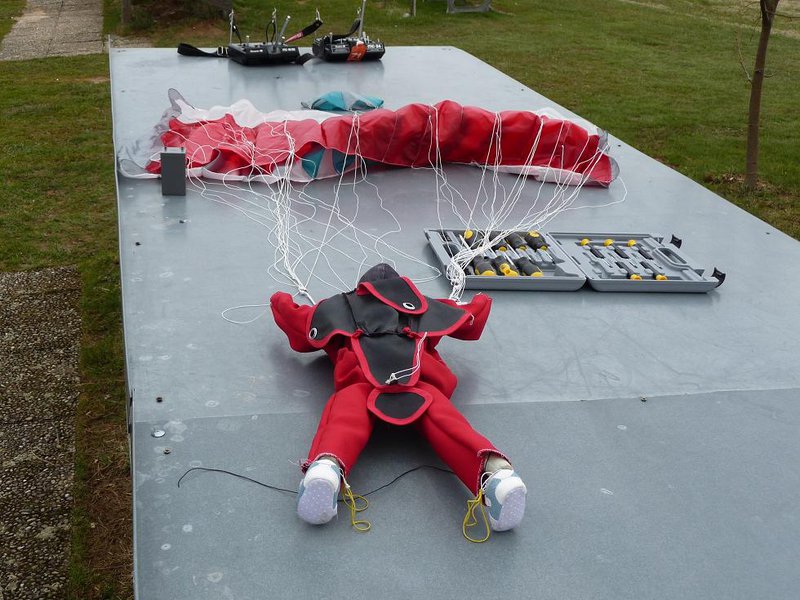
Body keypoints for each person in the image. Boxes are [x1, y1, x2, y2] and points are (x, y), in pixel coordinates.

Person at [270, 263, 526, 533]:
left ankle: (327, 467)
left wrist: (280, 300)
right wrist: (481, 301)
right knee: (450, 424)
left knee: (344, 418)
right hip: (418, 384)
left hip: (362, 383)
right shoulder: (424, 306)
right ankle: (497, 474)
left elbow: (295, 322)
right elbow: (471, 318)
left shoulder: (337, 307)